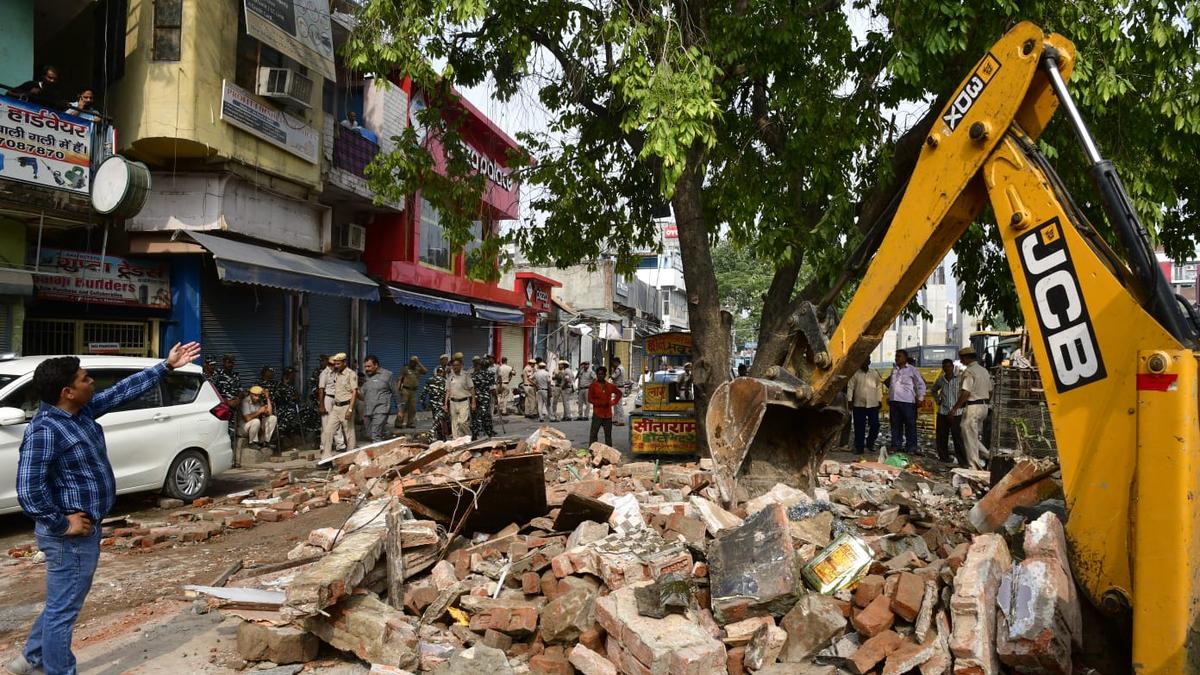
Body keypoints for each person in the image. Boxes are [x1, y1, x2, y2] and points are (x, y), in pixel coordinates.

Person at [7, 342, 199, 675]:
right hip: (70, 537)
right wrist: (62, 524)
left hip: (85, 529)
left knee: (61, 603)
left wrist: (165, 367)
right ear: (67, 391)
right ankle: (57, 669)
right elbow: (28, 490)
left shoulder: (79, 412)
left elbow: (121, 392)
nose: (92, 381)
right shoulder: (45, 431)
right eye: (84, 379)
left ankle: (29, 659)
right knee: (64, 609)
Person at [950, 347, 993, 469]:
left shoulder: (969, 372)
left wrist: (955, 408)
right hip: (983, 406)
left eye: (962, 358)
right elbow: (990, 391)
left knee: (968, 435)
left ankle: (974, 466)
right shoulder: (984, 371)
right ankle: (988, 455)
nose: (961, 360)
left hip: (973, 406)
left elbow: (966, 392)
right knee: (970, 435)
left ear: (966, 358)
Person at [883, 349, 925, 454]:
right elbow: (891, 384)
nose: (897, 358)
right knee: (895, 425)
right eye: (896, 356)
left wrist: (920, 398)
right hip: (894, 402)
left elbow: (921, 384)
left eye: (899, 356)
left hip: (908, 402)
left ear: (905, 358)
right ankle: (896, 446)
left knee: (910, 425)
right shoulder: (894, 370)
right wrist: (890, 396)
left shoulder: (912, 370)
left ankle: (911, 447)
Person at [319, 353, 358, 458]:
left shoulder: (351, 374)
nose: (336, 366)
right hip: (336, 407)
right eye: (335, 364)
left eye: (338, 364)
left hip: (346, 407)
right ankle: (326, 457)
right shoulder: (336, 374)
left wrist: (350, 410)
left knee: (349, 433)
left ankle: (351, 456)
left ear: (344, 363)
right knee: (328, 431)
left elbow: (354, 392)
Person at [931, 359, 967, 466]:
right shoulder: (941, 380)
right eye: (944, 366)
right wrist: (938, 400)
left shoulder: (959, 379)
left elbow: (965, 392)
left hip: (957, 412)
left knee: (958, 437)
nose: (947, 368)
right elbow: (934, 390)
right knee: (942, 436)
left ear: (952, 367)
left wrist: (960, 405)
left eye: (948, 366)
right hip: (943, 411)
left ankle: (962, 460)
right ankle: (944, 457)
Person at [847, 362, 882, 456]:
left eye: (867, 360)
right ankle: (859, 447)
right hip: (858, 405)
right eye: (863, 360)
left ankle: (870, 443)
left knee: (875, 425)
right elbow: (850, 387)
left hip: (873, 404)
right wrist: (849, 400)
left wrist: (879, 399)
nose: (865, 362)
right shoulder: (855, 374)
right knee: (859, 427)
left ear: (869, 362)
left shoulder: (874, 373)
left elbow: (879, 386)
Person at [359, 355, 396, 443]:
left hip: (381, 409)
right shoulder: (366, 377)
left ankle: (379, 455)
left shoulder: (387, 375)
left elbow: (395, 392)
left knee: (375, 435)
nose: (367, 369)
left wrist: (400, 409)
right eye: (365, 366)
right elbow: (362, 396)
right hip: (368, 410)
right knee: (369, 434)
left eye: (369, 366)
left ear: (376, 365)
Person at [587, 366, 622, 446]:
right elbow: (590, 399)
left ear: (605, 375)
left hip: (608, 414)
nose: (600, 376)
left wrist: (613, 402)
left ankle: (609, 452)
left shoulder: (609, 385)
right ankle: (592, 451)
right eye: (598, 374)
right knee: (593, 434)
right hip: (597, 413)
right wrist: (599, 403)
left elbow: (619, 393)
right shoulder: (593, 386)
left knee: (608, 435)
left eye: (602, 374)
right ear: (596, 375)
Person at [444, 358, 475, 438]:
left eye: (457, 365)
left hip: (464, 401)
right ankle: (456, 440)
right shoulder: (450, 376)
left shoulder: (466, 375)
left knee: (462, 422)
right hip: (453, 402)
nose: (455, 367)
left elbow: (471, 388)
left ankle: (469, 437)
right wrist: (445, 404)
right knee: (454, 423)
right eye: (453, 365)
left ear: (461, 366)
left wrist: (473, 402)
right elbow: (448, 390)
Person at [240, 385, 277, 452]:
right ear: (251, 394)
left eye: (259, 395)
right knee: (256, 421)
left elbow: (269, 413)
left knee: (273, 418)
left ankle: (266, 442)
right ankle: (253, 442)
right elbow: (247, 419)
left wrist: (267, 397)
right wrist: (259, 411)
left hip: (256, 426)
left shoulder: (259, 401)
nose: (257, 397)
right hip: (245, 427)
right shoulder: (245, 402)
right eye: (255, 395)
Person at [396, 356, 426, 428]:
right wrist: (398, 390)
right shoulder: (405, 369)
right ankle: (398, 423)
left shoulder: (418, 369)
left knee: (413, 408)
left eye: (414, 362)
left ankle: (410, 423)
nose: (413, 363)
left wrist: (418, 362)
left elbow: (425, 371)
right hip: (405, 390)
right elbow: (399, 379)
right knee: (403, 407)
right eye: (412, 361)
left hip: (414, 391)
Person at [471, 356, 496, 439]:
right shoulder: (491, 374)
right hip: (485, 397)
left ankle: (475, 433)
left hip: (476, 397)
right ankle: (488, 432)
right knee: (485, 415)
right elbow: (492, 388)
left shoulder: (474, 375)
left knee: (477, 415)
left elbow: (472, 387)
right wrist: (495, 396)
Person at [422, 366, 449, 440]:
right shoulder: (445, 381)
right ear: (442, 373)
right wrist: (447, 404)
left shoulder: (429, 380)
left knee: (437, 419)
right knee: (439, 420)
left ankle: (441, 437)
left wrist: (423, 403)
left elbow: (424, 393)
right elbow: (448, 393)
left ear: (436, 372)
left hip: (433, 404)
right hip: (441, 405)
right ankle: (431, 433)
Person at [610, 358, 627, 425]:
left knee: (618, 405)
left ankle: (621, 421)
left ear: (616, 362)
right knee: (616, 405)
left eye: (613, 363)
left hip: (619, 388)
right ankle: (615, 419)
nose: (613, 364)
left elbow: (613, 377)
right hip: (618, 388)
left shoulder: (618, 369)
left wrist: (612, 371)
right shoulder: (621, 368)